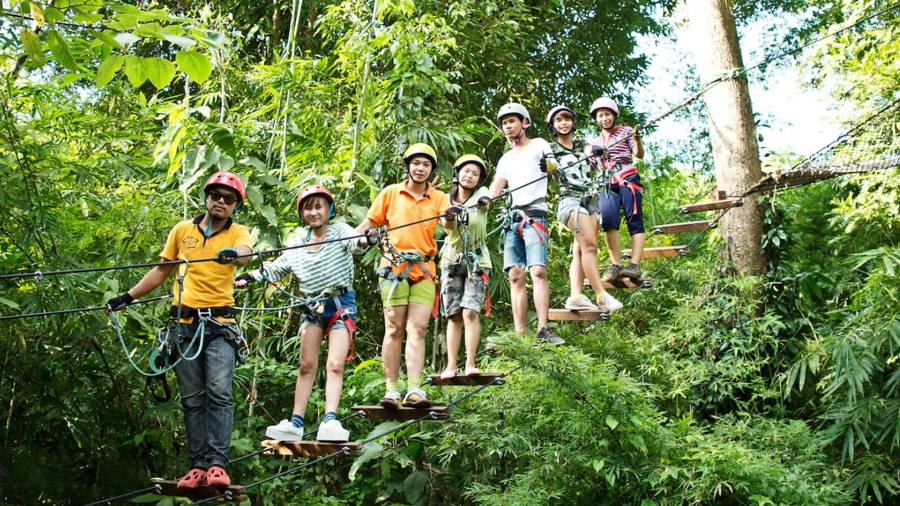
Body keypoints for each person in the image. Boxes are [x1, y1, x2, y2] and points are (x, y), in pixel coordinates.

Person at [105, 172, 254, 490]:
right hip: (184, 326)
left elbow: (246, 254)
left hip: (219, 326)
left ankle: (217, 464)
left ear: (235, 206)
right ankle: (198, 466)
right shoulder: (182, 230)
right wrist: (127, 296)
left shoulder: (238, 232)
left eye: (228, 199)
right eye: (216, 195)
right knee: (191, 398)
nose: (221, 202)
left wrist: (233, 255)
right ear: (207, 197)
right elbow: (162, 270)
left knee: (219, 391)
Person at [234, 185, 375, 442]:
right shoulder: (298, 241)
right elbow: (278, 267)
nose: (313, 212)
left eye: (318, 206)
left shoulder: (340, 231)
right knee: (306, 365)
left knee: (335, 365)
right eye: (308, 208)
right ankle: (296, 423)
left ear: (329, 210)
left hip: (340, 303)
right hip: (312, 307)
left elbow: (357, 243)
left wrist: (368, 239)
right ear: (302, 213)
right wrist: (250, 277)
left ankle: (330, 420)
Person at [356, 143, 450, 409]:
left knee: (418, 328)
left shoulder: (439, 198)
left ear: (431, 170)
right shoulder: (391, 193)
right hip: (394, 269)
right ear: (407, 166)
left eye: (426, 165)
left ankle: (414, 388)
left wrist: (453, 216)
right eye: (416, 163)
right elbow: (369, 224)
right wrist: (355, 237)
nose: (420, 169)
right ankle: (391, 389)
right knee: (394, 328)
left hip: (424, 269)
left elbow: (448, 222)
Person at [486, 102, 563, 345]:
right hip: (513, 218)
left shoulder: (539, 144)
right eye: (505, 123)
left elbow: (555, 172)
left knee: (538, 270)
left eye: (512, 121)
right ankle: (520, 332)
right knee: (515, 275)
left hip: (535, 214)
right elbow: (494, 191)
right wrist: (476, 202)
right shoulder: (505, 159)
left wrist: (550, 166)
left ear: (525, 123)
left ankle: (543, 326)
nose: (508, 126)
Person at [546, 105, 622, 314]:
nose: (563, 123)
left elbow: (592, 150)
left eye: (567, 119)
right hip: (569, 200)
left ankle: (576, 295)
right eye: (558, 120)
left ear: (573, 122)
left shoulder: (583, 144)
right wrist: (547, 166)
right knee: (590, 247)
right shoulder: (550, 149)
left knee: (580, 250)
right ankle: (601, 296)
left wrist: (597, 151)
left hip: (590, 200)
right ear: (552, 125)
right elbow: (546, 165)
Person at [438, 154, 493, 379]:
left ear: (479, 179)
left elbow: (488, 201)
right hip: (452, 259)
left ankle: (470, 362)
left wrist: (482, 203)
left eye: (475, 173)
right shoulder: (446, 200)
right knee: (453, 315)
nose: (469, 176)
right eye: (466, 171)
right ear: (458, 172)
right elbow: (446, 225)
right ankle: (451, 365)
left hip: (477, 259)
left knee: (470, 311)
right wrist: (450, 215)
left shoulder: (482, 194)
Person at [587, 97, 646, 281]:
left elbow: (638, 154)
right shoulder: (594, 141)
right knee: (608, 221)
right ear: (596, 119)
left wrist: (637, 139)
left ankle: (634, 264)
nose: (604, 118)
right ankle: (616, 264)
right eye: (600, 115)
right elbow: (590, 167)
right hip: (606, 181)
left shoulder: (626, 131)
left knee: (634, 218)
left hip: (627, 176)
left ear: (614, 115)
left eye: (607, 114)